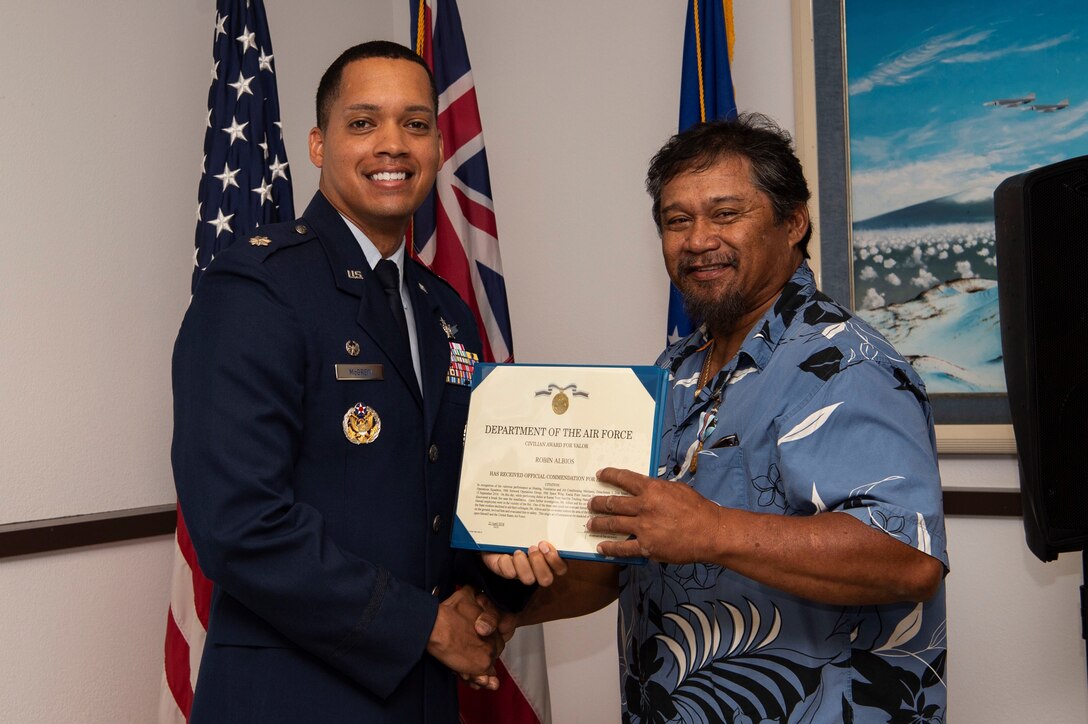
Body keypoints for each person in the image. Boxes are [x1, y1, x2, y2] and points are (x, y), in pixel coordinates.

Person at [491, 113, 949, 723]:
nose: (698, 238)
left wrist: (713, 531)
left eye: (726, 214)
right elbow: (623, 560)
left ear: (793, 222)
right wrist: (505, 607)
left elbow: (907, 557)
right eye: (676, 220)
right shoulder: (674, 368)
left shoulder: (848, 364)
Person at [172, 41, 528, 723]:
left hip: (420, 696)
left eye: (416, 124)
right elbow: (240, 525)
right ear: (317, 142)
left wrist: (497, 590)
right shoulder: (258, 290)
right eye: (363, 123)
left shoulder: (446, 311)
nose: (392, 145)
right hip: (293, 698)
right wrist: (426, 626)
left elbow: (445, 498)